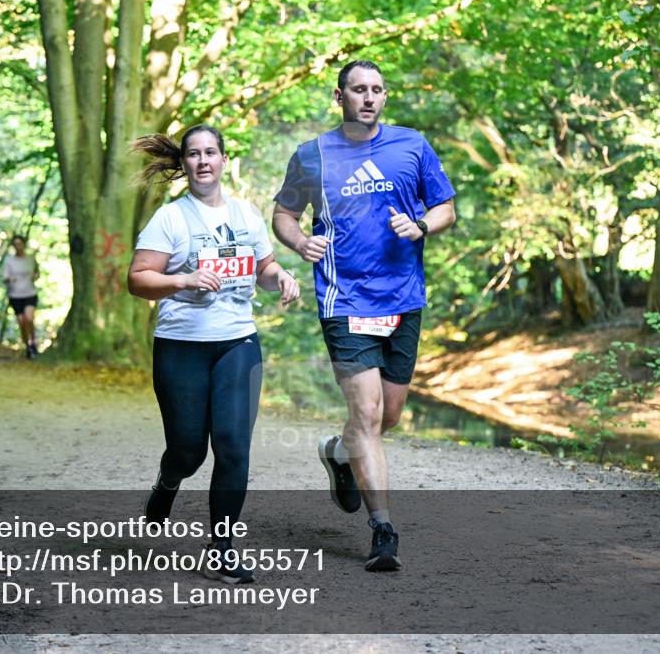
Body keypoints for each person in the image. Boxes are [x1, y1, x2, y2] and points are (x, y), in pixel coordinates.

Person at [272, 60, 456, 571]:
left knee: (387, 417)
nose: (368, 97)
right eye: (358, 89)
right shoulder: (312, 157)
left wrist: (421, 225)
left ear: (385, 96)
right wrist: (300, 240)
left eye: (376, 90)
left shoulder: (411, 145)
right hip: (344, 298)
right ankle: (383, 531)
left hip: (403, 298)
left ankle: (337, 451)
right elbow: (283, 215)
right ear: (340, 96)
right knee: (370, 416)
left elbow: (446, 207)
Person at [127, 125, 300, 585]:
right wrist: (182, 280)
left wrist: (280, 275)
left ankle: (221, 550)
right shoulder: (171, 219)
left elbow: (262, 268)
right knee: (188, 452)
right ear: (183, 164)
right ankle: (167, 482)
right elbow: (138, 278)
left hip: (238, 342)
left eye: (211, 153)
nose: (203, 161)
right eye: (193, 154)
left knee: (233, 446)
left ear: (225, 160)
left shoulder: (245, 215)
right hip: (182, 346)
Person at [1, 234, 41, 359]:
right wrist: (9, 279)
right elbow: (5, 277)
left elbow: (37, 271)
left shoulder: (31, 258)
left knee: (29, 318)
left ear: (24, 244)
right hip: (15, 295)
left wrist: (35, 276)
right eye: (16, 244)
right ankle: (27, 346)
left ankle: (33, 342)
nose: (18, 247)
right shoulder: (9, 260)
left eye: (20, 244)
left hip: (30, 294)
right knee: (21, 322)